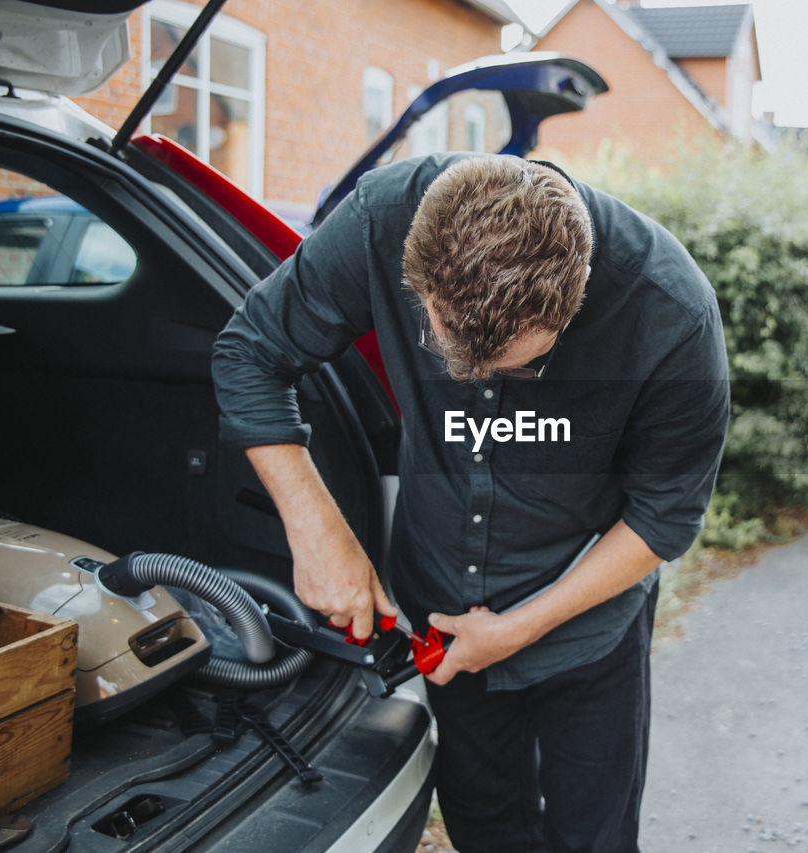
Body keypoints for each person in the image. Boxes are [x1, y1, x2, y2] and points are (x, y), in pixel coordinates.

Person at [211, 153, 730, 852]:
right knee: (483, 826)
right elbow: (250, 352)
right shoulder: (382, 220)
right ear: (412, 266)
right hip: (441, 605)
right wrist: (317, 527)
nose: (475, 381)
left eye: (515, 366)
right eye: (445, 345)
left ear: (575, 299)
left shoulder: (671, 313)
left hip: (587, 624)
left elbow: (664, 514)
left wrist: (516, 628)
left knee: (595, 835)